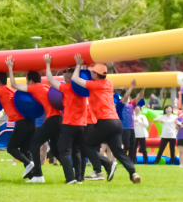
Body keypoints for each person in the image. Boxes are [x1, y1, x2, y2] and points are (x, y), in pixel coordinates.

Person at [70, 57, 140, 183]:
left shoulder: (95, 85)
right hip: (116, 122)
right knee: (118, 151)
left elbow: (74, 78)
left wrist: (78, 65)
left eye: (92, 72)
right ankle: (133, 173)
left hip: (105, 121)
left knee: (87, 145)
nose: (90, 74)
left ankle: (99, 171)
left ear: (95, 75)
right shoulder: (109, 84)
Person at [44, 55, 86, 184]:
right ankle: (79, 178)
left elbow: (50, 80)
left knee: (65, 152)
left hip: (69, 124)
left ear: (68, 78)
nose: (63, 77)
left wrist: (47, 64)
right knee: (76, 151)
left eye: (65, 75)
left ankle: (70, 178)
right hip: (81, 126)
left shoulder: (67, 88)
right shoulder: (84, 90)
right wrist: (79, 65)